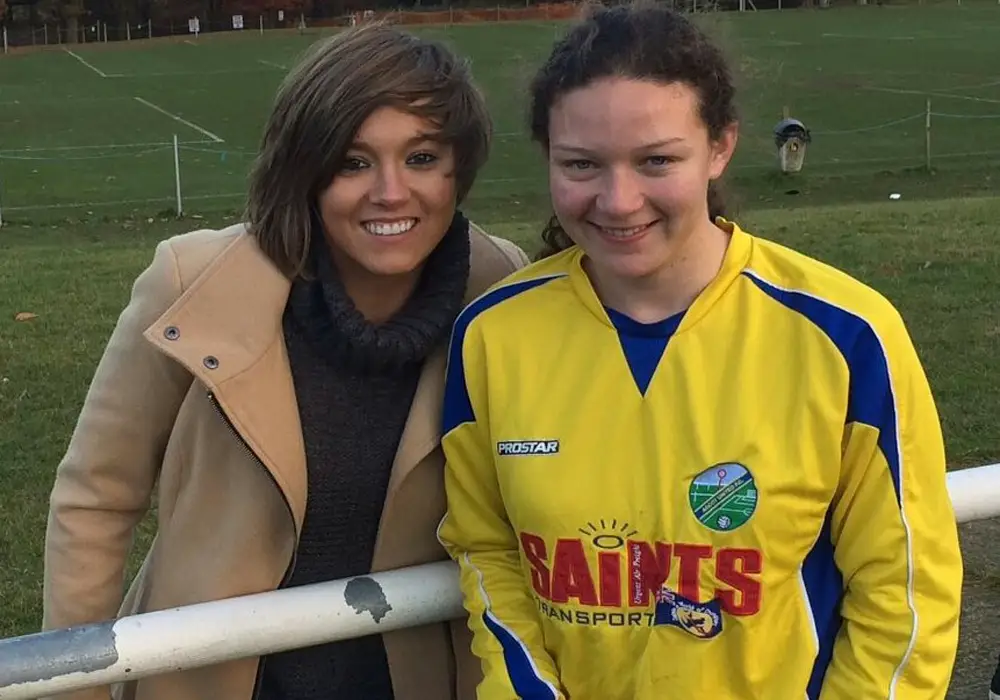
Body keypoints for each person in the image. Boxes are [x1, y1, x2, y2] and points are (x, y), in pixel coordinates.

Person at [436, 3, 963, 699]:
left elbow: (906, 590)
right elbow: (487, 551)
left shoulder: (845, 336)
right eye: (582, 164)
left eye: (657, 160)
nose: (619, 201)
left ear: (720, 146)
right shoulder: (492, 336)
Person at [42, 22, 530, 700]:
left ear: (460, 167)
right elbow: (96, 498)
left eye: (422, 158)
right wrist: (77, 686)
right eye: (354, 162)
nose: (391, 193)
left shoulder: (502, 286)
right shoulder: (192, 280)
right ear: (305, 169)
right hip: (209, 681)